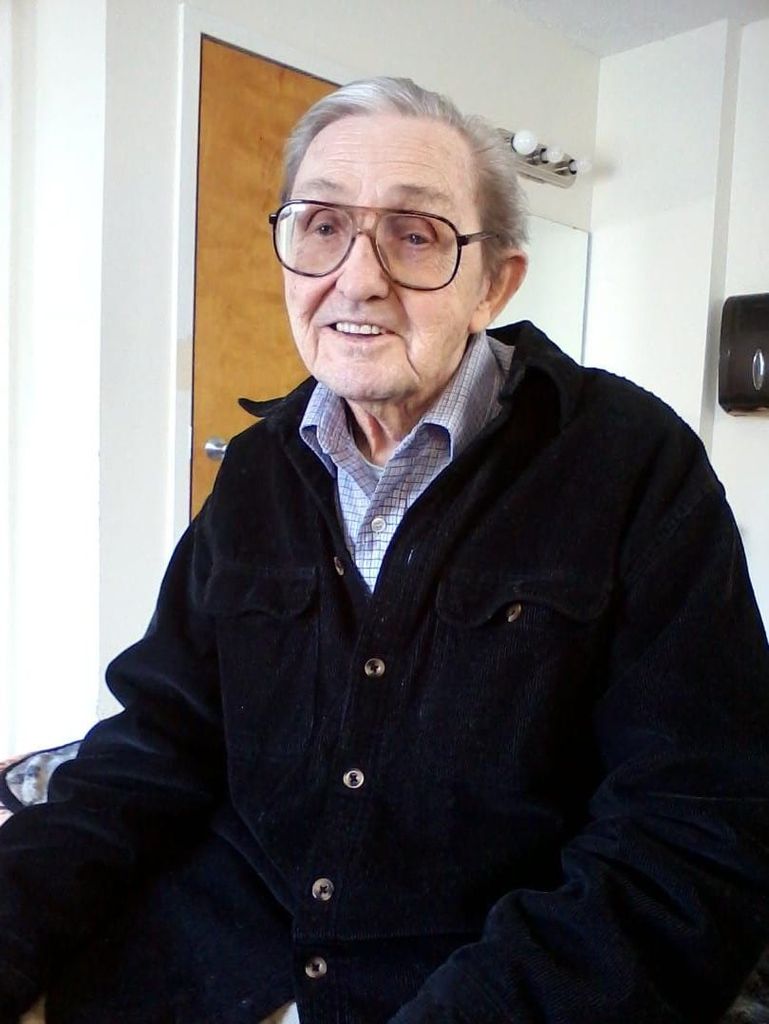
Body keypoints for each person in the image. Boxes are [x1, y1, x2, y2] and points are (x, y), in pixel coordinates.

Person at [1, 76, 769, 1024]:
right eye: (322, 226)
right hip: (204, 972)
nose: (356, 279)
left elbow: (691, 829)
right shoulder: (257, 469)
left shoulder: (634, 463)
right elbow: (157, 742)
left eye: (414, 235)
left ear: (494, 284)